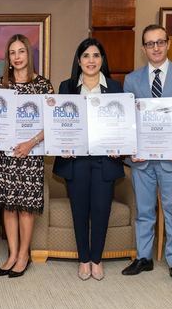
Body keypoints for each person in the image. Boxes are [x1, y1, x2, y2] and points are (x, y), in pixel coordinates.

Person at [121, 24, 172, 288]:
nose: (155, 47)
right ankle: (144, 257)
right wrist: (131, 147)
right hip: (142, 161)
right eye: (149, 43)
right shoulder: (132, 80)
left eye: (159, 42)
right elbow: (127, 119)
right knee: (144, 212)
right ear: (143, 48)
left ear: (168, 44)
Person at [53, 38, 125, 281]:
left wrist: (120, 146)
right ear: (79, 60)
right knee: (80, 211)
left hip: (105, 160)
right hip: (77, 161)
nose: (91, 60)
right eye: (86, 56)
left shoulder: (115, 88)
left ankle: (97, 259)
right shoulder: (67, 87)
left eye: (96, 56)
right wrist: (62, 145)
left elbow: (122, 123)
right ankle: (84, 259)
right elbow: (59, 122)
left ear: (102, 60)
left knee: (102, 210)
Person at [0, 34, 54, 278]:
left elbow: (51, 122)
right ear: (8, 57)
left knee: (25, 207)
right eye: (12, 52)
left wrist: (30, 143)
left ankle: (24, 254)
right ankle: (12, 253)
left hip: (30, 154)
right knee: (8, 205)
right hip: (4, 156)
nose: (17, 57)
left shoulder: (44, 86)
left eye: (21, 51)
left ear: (29, 54)